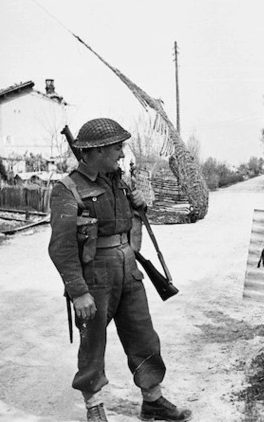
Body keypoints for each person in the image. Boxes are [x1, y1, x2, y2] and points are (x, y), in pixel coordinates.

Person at [48, 118, 192, 422]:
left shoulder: (119, 181)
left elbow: (128, 223)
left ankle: (152, 401)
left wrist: (139, 204)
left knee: (144, 338)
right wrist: (78, 293)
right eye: (117, 147)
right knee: (93, 344)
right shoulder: (67, 189)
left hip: (129, 269)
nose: (122, 152)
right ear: (97, 150)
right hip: (95, 277)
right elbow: (61, 248)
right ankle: (95, 407)